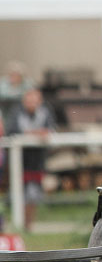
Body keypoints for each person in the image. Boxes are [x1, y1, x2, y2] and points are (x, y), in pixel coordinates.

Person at [7, 88, 56, 232]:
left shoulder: (45, 112)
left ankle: (27, 224)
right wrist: (33, 133)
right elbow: (11, 131)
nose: (32, 104)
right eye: (29, 101)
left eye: (35, 101)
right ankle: (19, 223)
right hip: (19, 162)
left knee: (33, 195)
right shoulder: (16, 113)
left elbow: (50, 130)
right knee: (18, 194)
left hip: (37, 162)